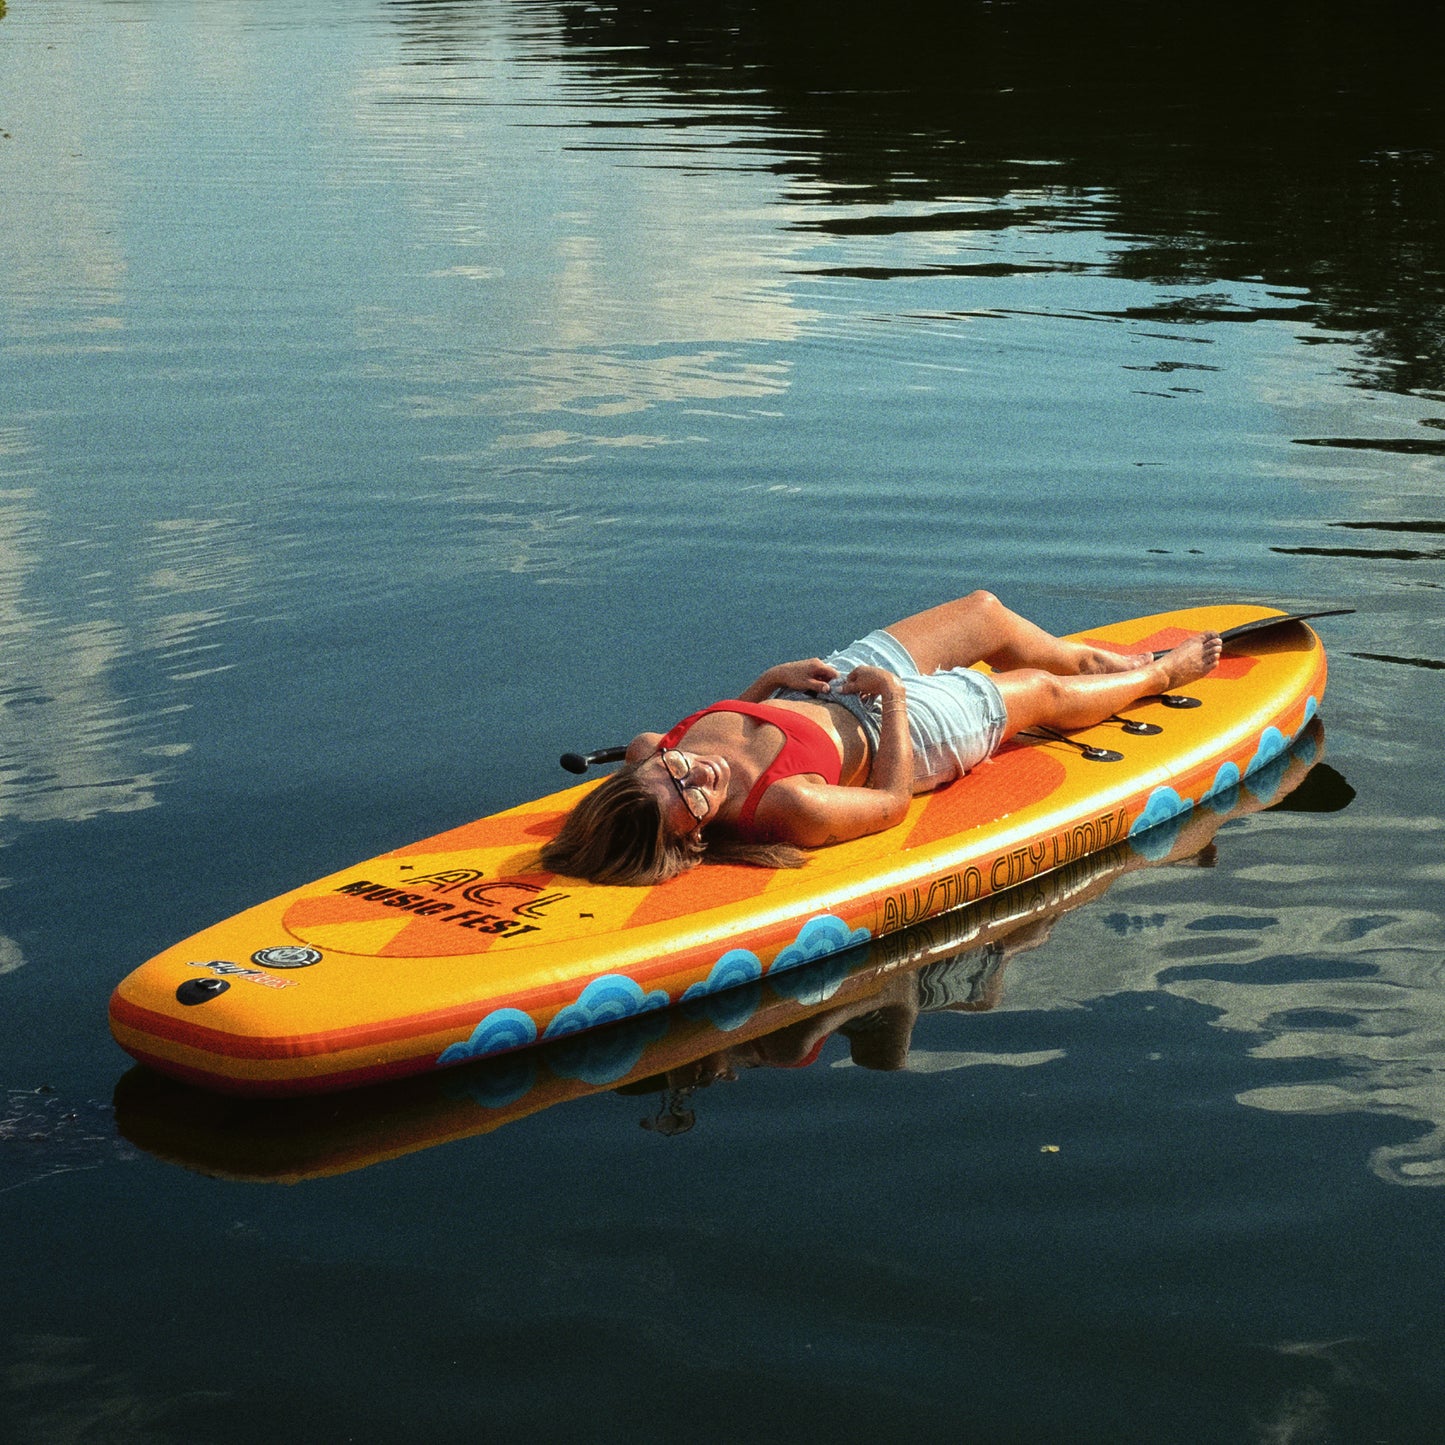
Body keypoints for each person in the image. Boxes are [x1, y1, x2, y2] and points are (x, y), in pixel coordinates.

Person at [541, 590, 1222, 885]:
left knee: (984, 614)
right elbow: (892, 802)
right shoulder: (789, 810)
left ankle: (1092, 658)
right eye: (689, 799)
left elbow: (714, 731)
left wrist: (768, 679)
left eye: (676, 766)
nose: (697, 774)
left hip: (827, 685)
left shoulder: (647, 752)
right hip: (902, 732)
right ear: (692, 836)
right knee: (1039, 697)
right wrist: (894, 701)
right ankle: (1157, 674)